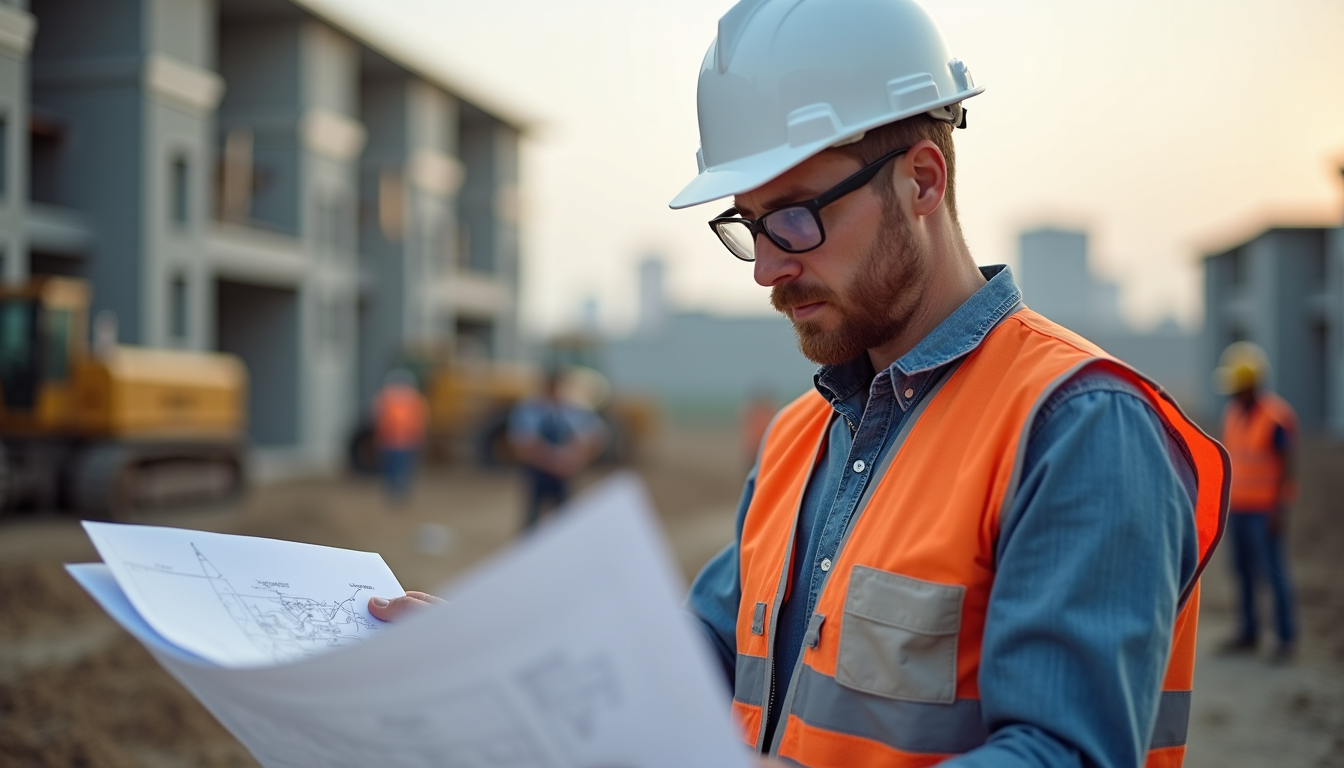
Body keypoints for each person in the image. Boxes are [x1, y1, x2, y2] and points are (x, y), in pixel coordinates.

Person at [372, 4, 1230, 766]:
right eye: (749, 227)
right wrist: (495, 657)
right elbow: (703, 649)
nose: (768, 268)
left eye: (794, 217)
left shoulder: (1080, 428)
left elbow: (1063, 753)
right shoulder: (800, 436)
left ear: (922, 180)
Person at [1214, 341, 1299, 660]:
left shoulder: (1276, 417)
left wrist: (1280, 507)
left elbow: (1287, 463)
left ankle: (1286, 638)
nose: (1233, 393)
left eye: (1237, 387)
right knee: (1243, 571)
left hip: (1265, 510)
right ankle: (1248, 632)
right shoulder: (1233, 413)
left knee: (1273, 571)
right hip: (1239, 507)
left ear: (1251, 385)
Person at [507, 367, 606, 531]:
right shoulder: (529, 409)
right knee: (532, 518)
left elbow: (593, 435)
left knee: (565, 519)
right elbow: (524, 442)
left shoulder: (573, 408)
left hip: (564, 472)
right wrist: (554, 461)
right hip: (538, 471)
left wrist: (574, 457)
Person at [373, 368, 428, 504]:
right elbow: (380, 419)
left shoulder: (412, 399)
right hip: (391, 441)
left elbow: (420, 419)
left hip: (406, 441)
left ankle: (401, 492)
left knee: (403, 468)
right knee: (392, 468)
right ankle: (393, 492)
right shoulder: (388, 397)